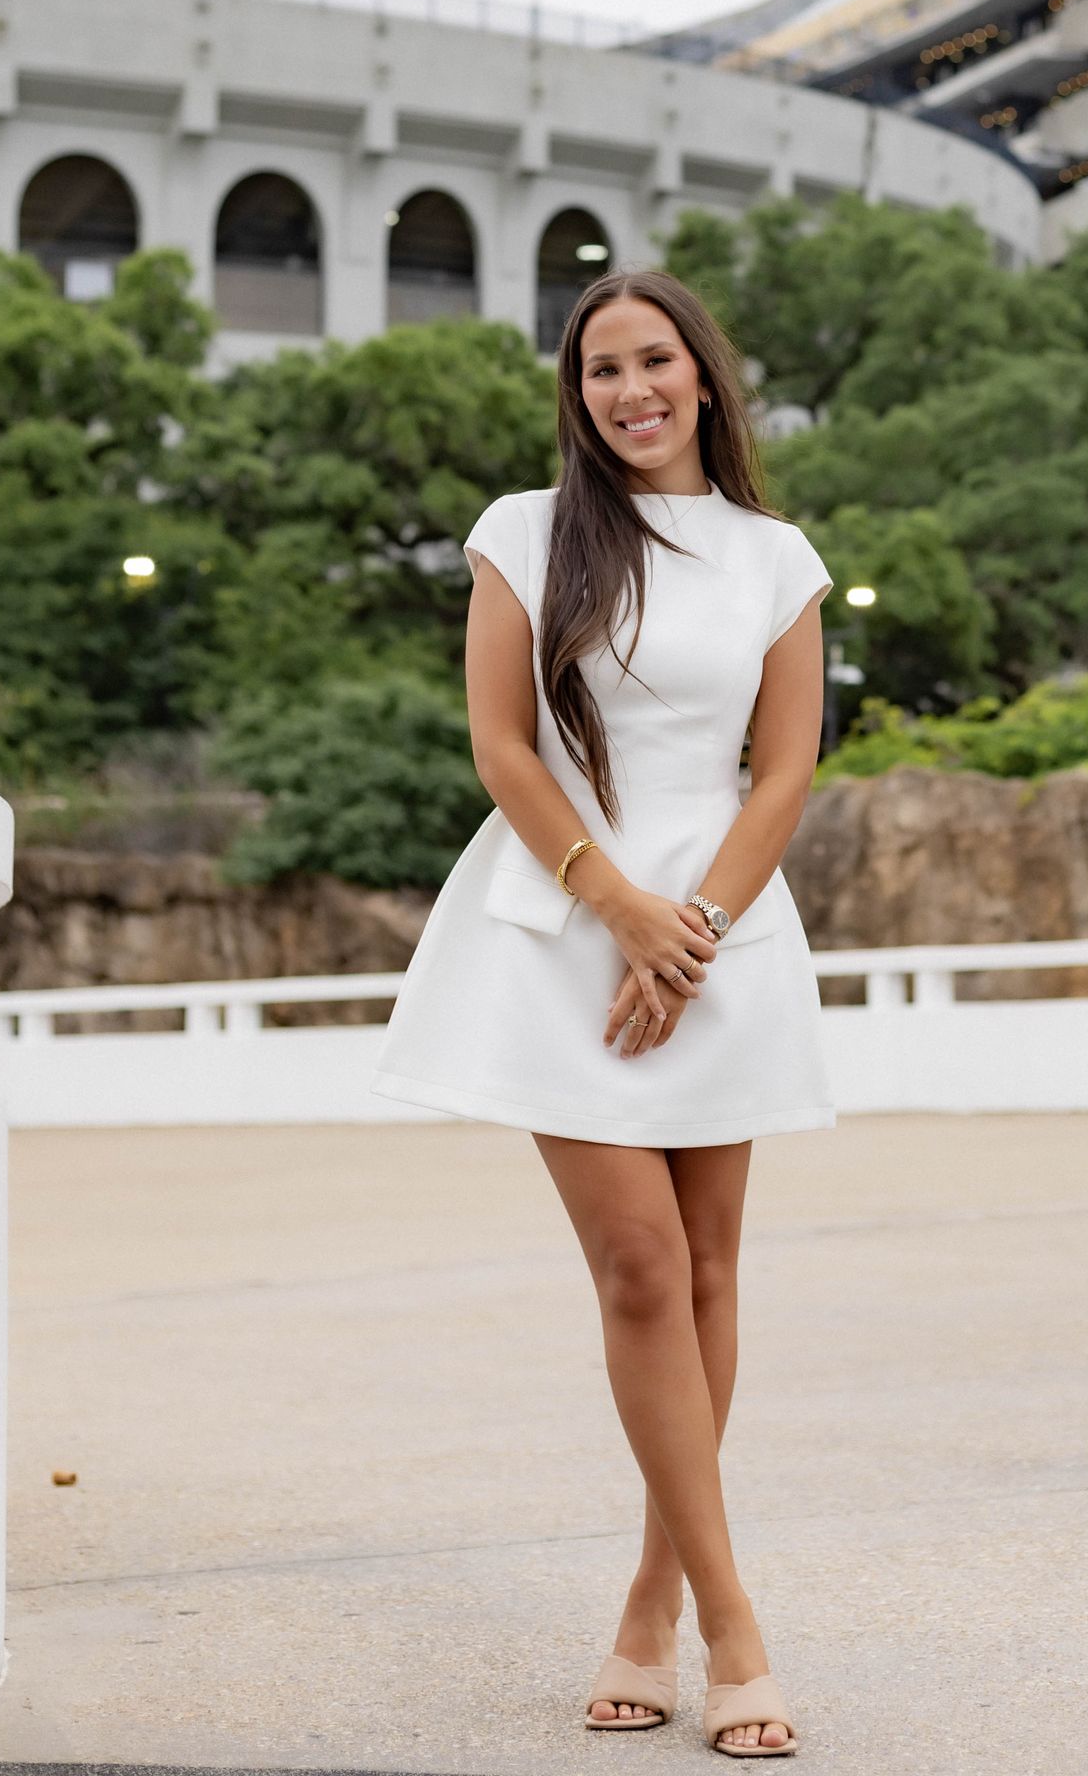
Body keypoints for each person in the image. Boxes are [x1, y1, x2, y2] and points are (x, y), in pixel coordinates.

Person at [372, 267, 833, 1758]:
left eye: (653, 362)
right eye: (599, 372)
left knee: (708, 1271)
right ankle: (735, 1624)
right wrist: (616, 903)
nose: (628, 391)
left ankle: (649, 1597)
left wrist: (690, 926)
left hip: (723, 939)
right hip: (561, 929)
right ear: (578, 398)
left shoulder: (776, 556)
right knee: (639, 1268)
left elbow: (782, 773)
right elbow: (502, 744)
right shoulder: (528, 531)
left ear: (703, 374)